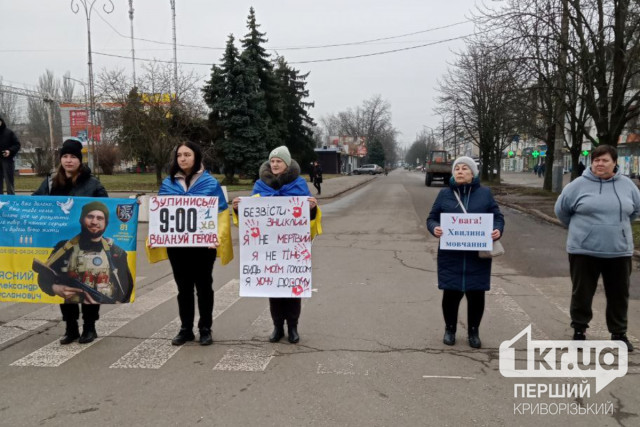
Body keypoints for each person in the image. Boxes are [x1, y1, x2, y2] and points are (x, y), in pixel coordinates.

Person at [33, 139, 118, 344]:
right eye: (65, 156)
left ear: (80, 160)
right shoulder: (51, 182)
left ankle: (90, 327)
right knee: (63, 283)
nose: (68, 161)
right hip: (64, 244)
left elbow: (109, 208)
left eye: (73, 157)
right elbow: (33, 203)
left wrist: (131, 206)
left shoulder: (93, 184)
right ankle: (70, 328)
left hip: (89, 244)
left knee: (90, 284)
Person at [232, 146, 321, 344]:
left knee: (292, 289)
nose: (274, 165)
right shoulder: (260, 186)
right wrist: (239, 209)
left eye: (278, 161)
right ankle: (277, 327)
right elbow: (250, 219)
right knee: (274, 289)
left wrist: (312, 209)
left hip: (291, 249)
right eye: (272, 161)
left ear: (287, 164)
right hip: (268, 249)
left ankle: (293, 327)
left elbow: (308, 220)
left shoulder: (299, 185)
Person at [554, 145, 638, 351]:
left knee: (619, 295)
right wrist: (582, 231)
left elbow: (635, 211)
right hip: (584, 251)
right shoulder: (577, 185)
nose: (600, 164)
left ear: (615, 163)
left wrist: (619, 230)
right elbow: (562, 211)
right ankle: (579, 331)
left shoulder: (628, 185)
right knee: (582, 293)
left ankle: (619, 334)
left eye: (605, 160)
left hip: (619, 250)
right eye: (596, 160)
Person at [158, 141, 233, 346]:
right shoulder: (168, 183)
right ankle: (185, 329)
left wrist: (217, 236)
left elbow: (221, 212)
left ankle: (205, 328)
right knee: (183, 288)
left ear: (196, 157)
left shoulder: (210, 183)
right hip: (177, 245)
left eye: (187, 154)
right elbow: (160, 214)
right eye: (179, 155)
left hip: (203, 245)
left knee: (204, 287)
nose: (182, 158)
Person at [427, 156, 505, 349]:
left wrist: (497, 230)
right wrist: (435, 227)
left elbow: (498, 217)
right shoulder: (445, 194)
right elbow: (432, 217)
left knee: (476, 295)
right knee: (451, 294)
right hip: (450, 255)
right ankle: (450, 329)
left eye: (465, 168)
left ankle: (473, 332)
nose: (460, 171)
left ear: (473, 173)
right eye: (457, 169)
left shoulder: (485, 194)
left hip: (476, 256)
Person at [0, 115, 21, 195]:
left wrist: (9, 151)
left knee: (9, 182)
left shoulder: (9, 133)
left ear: (1, 122)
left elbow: (17, 144)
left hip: (7, 160)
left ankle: (11, 200)